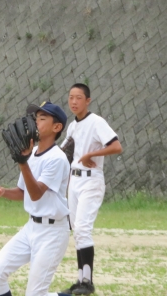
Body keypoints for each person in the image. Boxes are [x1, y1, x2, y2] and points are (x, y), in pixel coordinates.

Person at [0, 101, 71, 296]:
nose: (36, 122)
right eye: (36, 118)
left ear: (56, 127)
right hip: (31, 228)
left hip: (52, 234)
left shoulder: (57, 158)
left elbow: (36, 193)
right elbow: (23, 192)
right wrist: (4, 192)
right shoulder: (31, 153)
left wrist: (22, 162)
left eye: (42, 118)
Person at [62, 83, 122, 295]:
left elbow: (116, 146)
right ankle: (80, 280)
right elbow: (65, 154)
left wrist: (91, 155)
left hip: (91, 180)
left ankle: (87, 282)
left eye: (79, 98)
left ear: (88, 101)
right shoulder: (72, 126)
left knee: (82, 228)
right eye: (71, 97)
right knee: (76, 229)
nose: (74, 101)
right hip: (74, 180)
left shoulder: (96, 122)